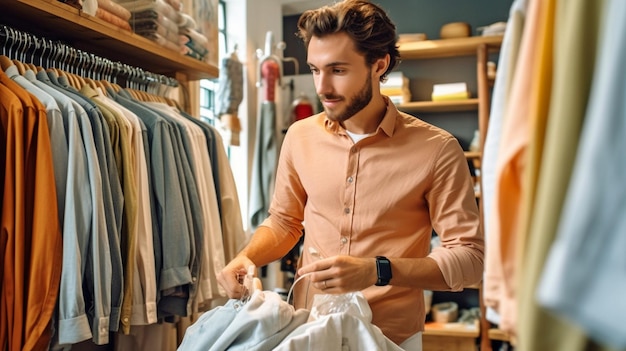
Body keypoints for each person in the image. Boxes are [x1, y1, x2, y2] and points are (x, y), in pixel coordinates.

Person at [217, 0, 484, 349]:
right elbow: (284, 222)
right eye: (315, 69)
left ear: (379, 64)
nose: (322, 87)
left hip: (392, 337)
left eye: (338, 70)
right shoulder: (299, 136)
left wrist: (378, 270)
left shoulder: (438, 149)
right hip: (308, 330)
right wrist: (246, 256)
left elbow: (470, 259)